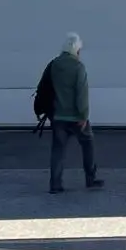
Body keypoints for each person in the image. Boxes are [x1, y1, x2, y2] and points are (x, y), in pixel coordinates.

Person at [44, 34, 102, 193]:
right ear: (76, 50)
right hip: (76, 117)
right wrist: (83, 115)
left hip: (58, 115)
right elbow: (81, 94)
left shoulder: (54, 64)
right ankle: (90, 179)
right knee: (88, 143)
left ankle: (55, 184)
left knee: (58, 150)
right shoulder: (78, 67)